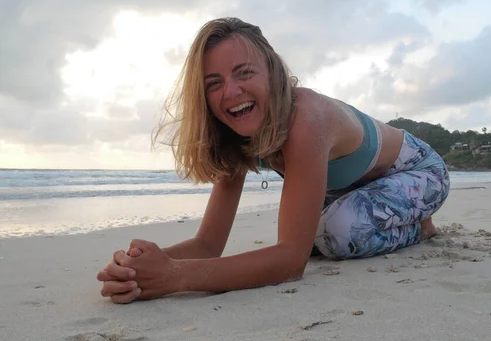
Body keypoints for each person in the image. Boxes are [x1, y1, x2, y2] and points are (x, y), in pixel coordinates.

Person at [96, 17, 450, 303]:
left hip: (417, 171)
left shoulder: (307, 117)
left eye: (244, 73)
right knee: (319, 237)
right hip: (345, 191)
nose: (231, 92)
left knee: (335, 235)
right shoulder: (234, 135)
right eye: (214, 83)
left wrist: (174, 277)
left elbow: (290, 262)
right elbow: (208, 245)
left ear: (272, 72)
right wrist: (139, 270)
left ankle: (421, 227)